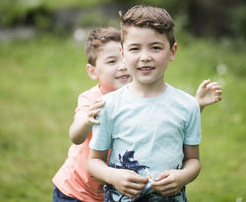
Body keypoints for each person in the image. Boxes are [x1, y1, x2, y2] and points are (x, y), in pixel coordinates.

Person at [53, 26, 222, 202]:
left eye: (123, 60)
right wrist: (86, 120)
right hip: (78, 189)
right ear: (92, 71)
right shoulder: (93, 99)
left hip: (120, 190)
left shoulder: (141, 96)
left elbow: (169, 124)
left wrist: (197, 105)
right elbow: (75, 137)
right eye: (112, 62)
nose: (122, 67)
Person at [88, 5, 214, 202]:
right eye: (135, 48)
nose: (145, 56)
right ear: (123, 53)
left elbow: (193, 160)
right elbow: (94, 161)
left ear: (172, 52)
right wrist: (114, 176)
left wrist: (182, 177)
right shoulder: (108, 105)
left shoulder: (188, 106)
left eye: (155, 48)